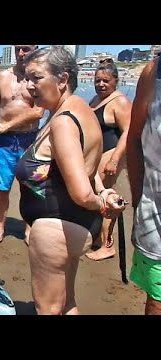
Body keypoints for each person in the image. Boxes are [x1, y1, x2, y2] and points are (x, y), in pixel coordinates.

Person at [16, 46, 126, 315]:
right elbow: (85, 169)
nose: (29, 85)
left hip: (56, 229)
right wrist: (103, 191)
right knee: (66, 304)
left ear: (63, 79)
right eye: (26, 78)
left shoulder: (63, 122)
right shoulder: (81, 110)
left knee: (48, 309)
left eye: (36, 77)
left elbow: (80, 192)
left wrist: (101, 202)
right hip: (72, 224)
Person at [0, 45, 44, 249]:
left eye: (25, 49)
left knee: (31, 188)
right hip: (4, 143)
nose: (21, 53)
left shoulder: (40, 77)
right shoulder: (3, 77)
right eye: (17, 49)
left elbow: (39, 112)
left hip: (30, 140)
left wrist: (6, 125)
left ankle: (29, 229)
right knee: (2, 188)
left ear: (36, 49)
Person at [85, 59, 132, 261]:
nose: (101, 84)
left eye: (105, 80)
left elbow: (129, 132)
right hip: (96, 155)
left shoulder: (119, 101)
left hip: (111, 154)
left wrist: (114, 159)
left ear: (116, 80)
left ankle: (107, 245)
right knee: (95, 195)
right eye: (97, 80)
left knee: (107, 198)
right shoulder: (95, 99)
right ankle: (97, 238)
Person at [126, 56, 161, 315]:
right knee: (157, 299)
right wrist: (138, 202)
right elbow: (134, 138)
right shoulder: (154, 72)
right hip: (155, 215)